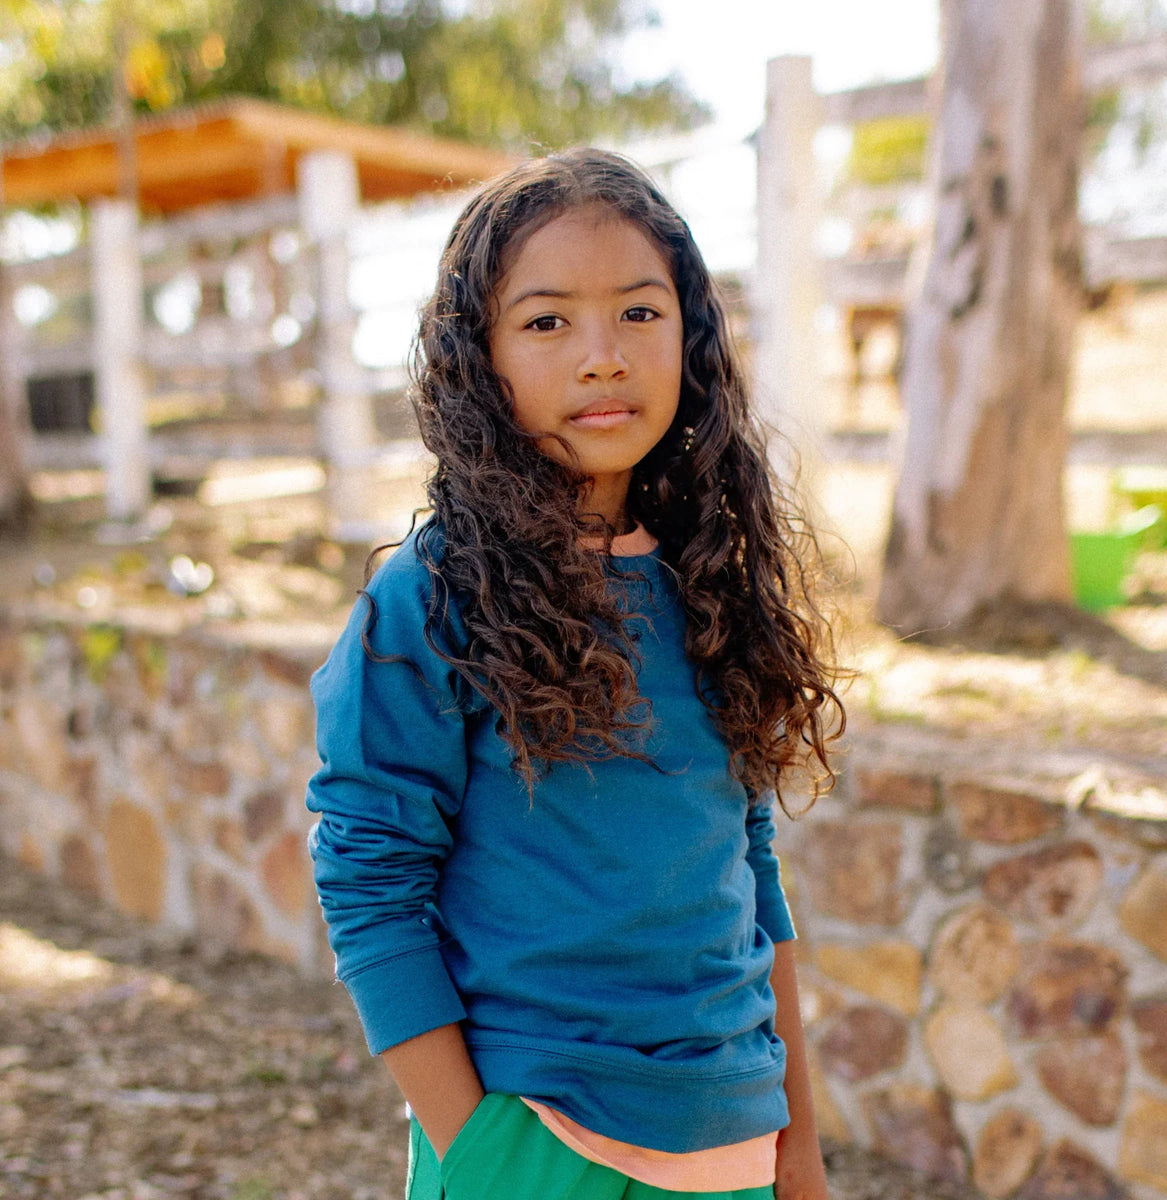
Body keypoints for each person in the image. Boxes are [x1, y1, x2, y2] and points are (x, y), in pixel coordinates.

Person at [306, 148, 844, 1200]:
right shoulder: (431, 602)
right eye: (547, 322)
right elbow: (368, 875)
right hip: (536, 1145)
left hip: (730, 1140)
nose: (602, 356)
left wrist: (800, 1142)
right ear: (483, 361)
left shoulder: (712, 581)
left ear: (690, 336)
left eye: (639, 314)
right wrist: (479, 1152)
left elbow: (750, 868)